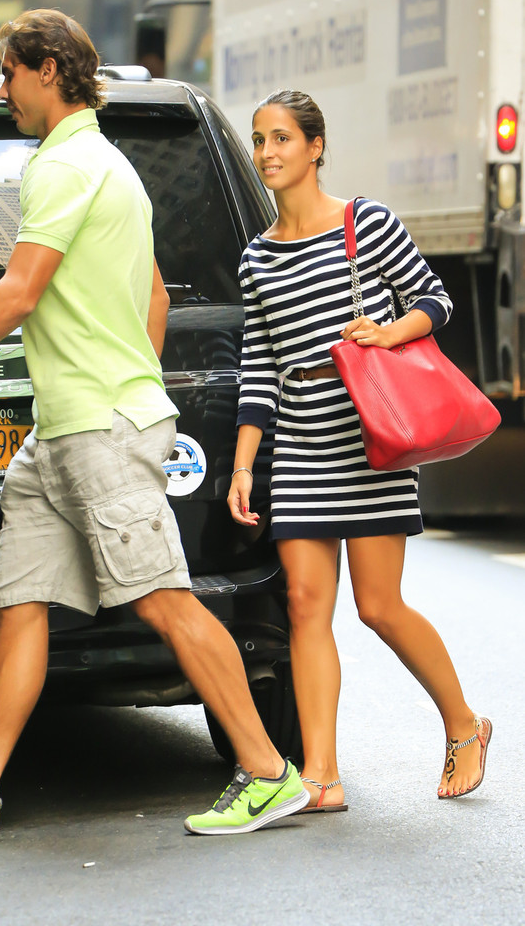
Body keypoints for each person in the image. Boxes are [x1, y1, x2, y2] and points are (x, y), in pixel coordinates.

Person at [0, 12, 309, 843]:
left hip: (97, 428)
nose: (1, 92)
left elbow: (18, 292)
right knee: (20, 603)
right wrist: (129, 376)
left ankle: (270, 773)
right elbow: (158, 298)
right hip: (61, 432)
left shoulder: (62, 166)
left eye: (9, 74)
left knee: (164, 599)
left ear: (49, 70)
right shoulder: (114, 166)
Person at [228, 88, 492, 813]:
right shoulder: (257, 257)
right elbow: (258, 364)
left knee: (378, 606)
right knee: (307, 606)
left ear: (315, 147)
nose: (267, 153)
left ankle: (465, 726)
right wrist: (247, 463)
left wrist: (387, 332)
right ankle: (321, 775)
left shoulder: (366, 224)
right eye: (258, 140)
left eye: (281, 138)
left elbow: (435, 301)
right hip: (302, 445)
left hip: (369, 438)